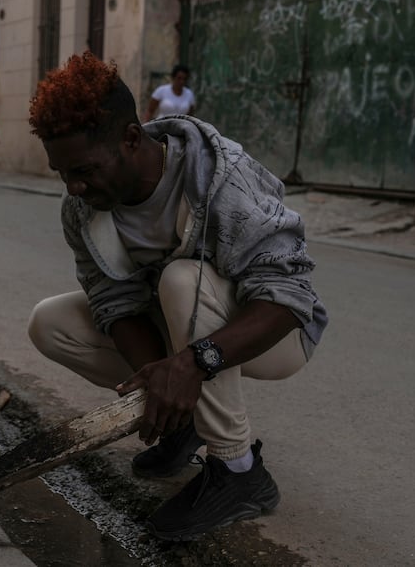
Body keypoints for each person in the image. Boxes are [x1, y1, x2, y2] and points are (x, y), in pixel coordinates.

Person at [25, 52, 327, 542]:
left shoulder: (219, 178)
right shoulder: (81, 208)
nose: (74, 186)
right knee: (48, 322)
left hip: (273, 337)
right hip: (186, 337)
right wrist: (164, 382)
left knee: (182, 279)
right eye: (63, 173)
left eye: (83, 169)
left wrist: (191, 364)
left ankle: (239, 470)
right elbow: (112, 301)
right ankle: (183, 421)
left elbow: (289, 296)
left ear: (129, 139)